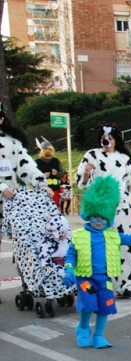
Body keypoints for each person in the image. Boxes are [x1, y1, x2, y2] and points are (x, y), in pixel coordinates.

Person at [62, 176, 131, 348]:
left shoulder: (113, 235)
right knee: (88, 303)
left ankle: (99, 335)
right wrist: (69, 269)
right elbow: (71, 255)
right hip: (86, 279)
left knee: (105, 306)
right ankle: (83, 328)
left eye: (102, 218)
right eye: (95, 217)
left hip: (105, 279)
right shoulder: (79, 235)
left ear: (108, 218)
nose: (99, 221)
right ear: (88, 215)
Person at [76, 124, 131, 298]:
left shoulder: (124, 158)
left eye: (111, 139)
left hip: (121, 207)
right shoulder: (92, 155)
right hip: (100, 209)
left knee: (124, 245)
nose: (107, 142)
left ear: (116, 140)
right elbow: (81, 181)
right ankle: (97, 282)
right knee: (98, 246)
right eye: (105, 139)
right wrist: (87, 172)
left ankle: (126, 283)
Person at [0, 103, 49, 300]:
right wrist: (2, 188)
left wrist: (40, 183)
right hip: (5, 193)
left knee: (26, 244)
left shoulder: (12, 143)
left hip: (13, 204)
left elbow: (27, 165)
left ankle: (29, 284)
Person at [35, 139, 66, 208]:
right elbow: (34, 176)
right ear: (42, 150)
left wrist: (56, 173)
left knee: (54, 208)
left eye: (49, 149)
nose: (47, 150)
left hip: (55, 189)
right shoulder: (37, 161)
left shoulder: (56, 161)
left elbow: (62, 174)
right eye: (45, 149)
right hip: (42, 189)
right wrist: (43, 176)